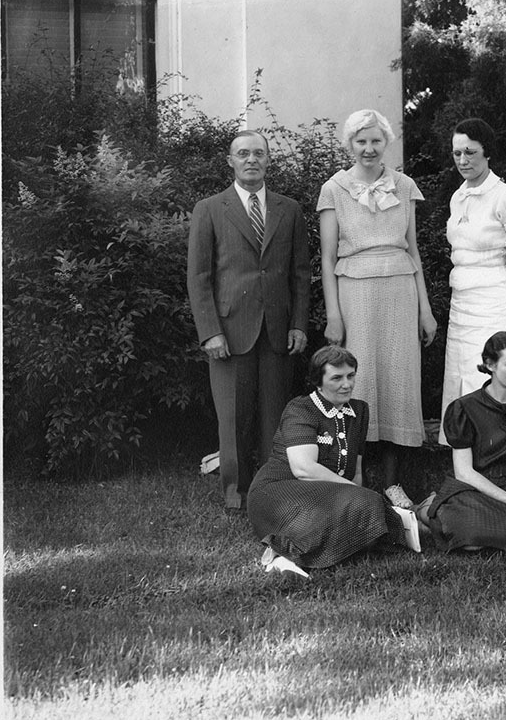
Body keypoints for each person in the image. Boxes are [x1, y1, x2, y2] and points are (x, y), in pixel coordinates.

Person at [187, 129, 310, 510]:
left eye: (258, 153)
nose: (251, 160)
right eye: (243, 154)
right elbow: (199, 277)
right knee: (233, 419)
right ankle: (236, 495)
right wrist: (210, 332)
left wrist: (298, 323)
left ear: (268, 160)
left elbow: (300, 274)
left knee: (274, 417)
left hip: (277, 329)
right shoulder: (210, 209)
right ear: (230, 161)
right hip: (228, 330)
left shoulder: (289, 209)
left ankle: (271, 492)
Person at [318, 109, 437, 501]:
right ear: (349, 144)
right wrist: (333, 314)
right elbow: (327, 258)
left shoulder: (404, 186)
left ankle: (391, 483)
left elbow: (413, 250)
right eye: (361, 141)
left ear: (386, 143)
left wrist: (425, 309)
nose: (368, 148)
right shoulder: (334, 188)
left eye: (375, 141)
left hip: (400, 292)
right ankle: (354, 479)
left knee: (398, 381)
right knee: (361, 378)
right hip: (356, 294)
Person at [247, 346, 420, 575]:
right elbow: (303, 469)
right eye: (337, 378)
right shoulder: (301, 409)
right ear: (318, 382)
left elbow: (356, 470)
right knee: (365, 504)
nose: (346, 384)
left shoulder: (359, 410)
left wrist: (357, 500)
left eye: (351, 376)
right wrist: (357, 495)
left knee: (364, 509)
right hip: (280, 490)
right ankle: (282, 554)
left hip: (328, 493)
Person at [439, 119, 506, 444]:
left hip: (495, 301)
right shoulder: (458, 197)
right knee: (462, 372)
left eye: (470, 152)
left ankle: (498, 452)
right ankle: (462, 451)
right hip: (462, 301)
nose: (463, 160)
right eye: (457, 153)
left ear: (487, 152)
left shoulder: (504, 196)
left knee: (492, 374)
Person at [418, 332, 506, 554]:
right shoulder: (465, 408)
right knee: (472, 539)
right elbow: (464, 472)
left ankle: (444, 521)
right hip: (475, 489)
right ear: (490, 365)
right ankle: (427, 511)